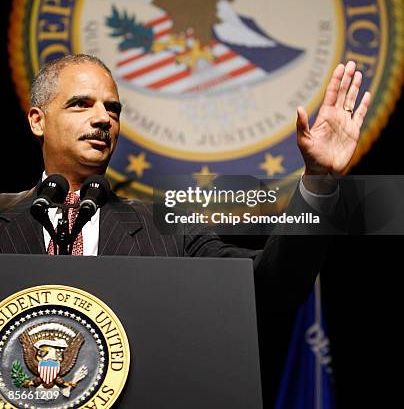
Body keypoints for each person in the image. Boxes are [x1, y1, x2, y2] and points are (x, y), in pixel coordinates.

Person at [0, 54, 370, 310]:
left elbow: (271, 286)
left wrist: (318, 180)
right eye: (81, 104)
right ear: (38, 120)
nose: (103, 119)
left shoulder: (168, 230)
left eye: (112, 109)